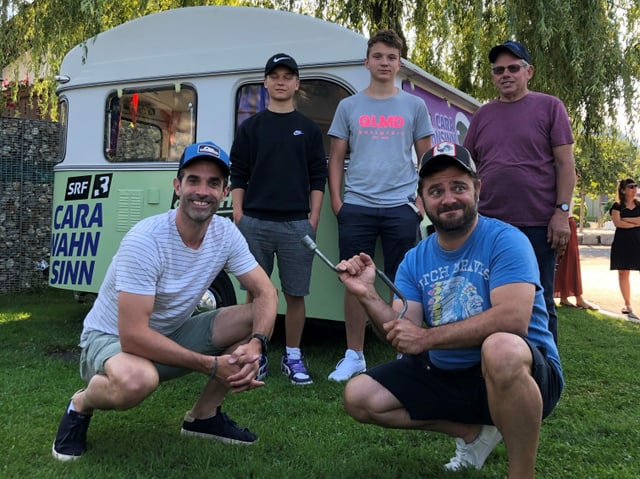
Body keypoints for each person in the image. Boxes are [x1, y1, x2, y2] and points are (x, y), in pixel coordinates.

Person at [337, 142, 563, 479]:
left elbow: (513, 319)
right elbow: (403, 332)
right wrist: (366, 294)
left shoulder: (506, 240)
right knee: (359, 395)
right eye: (436, 190)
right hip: (448, 374)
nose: (448, 198)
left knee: (500, 347)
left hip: (522, 370)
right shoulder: (415, 258)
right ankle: (473, 433)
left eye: (458, 187)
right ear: (422, 199)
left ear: (477, 189)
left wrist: (427, 338)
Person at [52, 141, 278, 461]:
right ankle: (81, 404)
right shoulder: (147, 239)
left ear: (225, 191)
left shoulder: (224, 233)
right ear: (177, 186)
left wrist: (256, 345)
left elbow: (267, 293)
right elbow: (132, 335)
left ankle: (204, 418)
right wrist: (212, 366)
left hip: (170, 332)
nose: (203, 191)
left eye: (213, 183)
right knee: (137, 381)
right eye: (193, 180)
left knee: (253, 316)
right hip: (110, 340)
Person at [327, 29, 434, 381]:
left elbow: (428, 160)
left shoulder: (414, 106)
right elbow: (336, 157)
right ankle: (354, 355)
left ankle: (405, 353)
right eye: (378, 56)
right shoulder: (349, 106)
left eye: (391, 57)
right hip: (356, 205)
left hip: (401, 206)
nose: (384, 63)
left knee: (403, 281)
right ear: (367, 61)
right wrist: (339, 202)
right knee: (355, 282)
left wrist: (420, 202)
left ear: (399, 63)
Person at [463, 40, 575, 345]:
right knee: (486, 297)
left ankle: (544, 366)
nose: (506, 74)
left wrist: (561, 213)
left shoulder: (550, 107)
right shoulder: (482, 115)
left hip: (538, 224)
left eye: (514, 68)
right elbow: (467, 168)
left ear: (529, 72)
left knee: (539, 300)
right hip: (488, 225)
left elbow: (566, 165)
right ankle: (490, 359)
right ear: (493, 77)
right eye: (499, 70)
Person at [230, 53, 327, 385]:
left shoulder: (310, 130)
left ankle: (293, 356)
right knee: (256, 293)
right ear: (266, 83)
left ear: (297, 84)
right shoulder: (251, 128)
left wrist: (313, 218)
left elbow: (318, 177)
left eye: (288, 76)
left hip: (296, 226)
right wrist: (240, 214)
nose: (281, 81)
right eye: (275, 76)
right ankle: (253, 354)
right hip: (254, 222)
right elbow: (238, 173)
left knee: (295, 294)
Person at [609, 178, 640, 316]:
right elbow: (617, 223)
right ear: (623, 190)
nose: (634, 189)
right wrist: (635, 223)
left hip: (638, 241)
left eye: (635, 186)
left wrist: (626, 219)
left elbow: (625, 221)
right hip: (622, 243)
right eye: (631, 187)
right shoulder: (617, 206)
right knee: (623, 272)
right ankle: (627, 304)